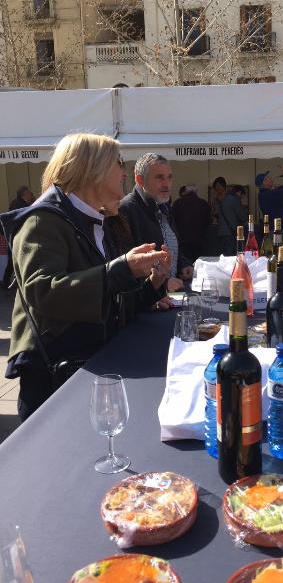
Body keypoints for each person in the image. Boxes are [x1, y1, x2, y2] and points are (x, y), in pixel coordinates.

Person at [0, 133, 170, 421]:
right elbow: (44, 293)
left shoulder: (97, 221)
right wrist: (122, 269)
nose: (125, 172)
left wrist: (152, 285)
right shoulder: (43, 220)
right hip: (57, 381)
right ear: (94, 168)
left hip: (91, 368)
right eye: (118, 163)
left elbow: (109, 301)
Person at [119, 154, 194, 292]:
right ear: (140, 180)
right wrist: (163, 284)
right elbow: (124, 267)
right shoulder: (126, 209)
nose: (166, 184)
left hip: (172, 296)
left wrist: (184, 264)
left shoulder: (164, 206)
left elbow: (172, 246)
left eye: (169, 177)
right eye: (159, 177)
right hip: (146, 304)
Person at [2, 186, 36, 287]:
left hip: (13, 236)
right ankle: (13, 283)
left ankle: (6, 282)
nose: (32, 194)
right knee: (17, 260)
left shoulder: (15, 203)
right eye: (30, 193)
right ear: (24, 194)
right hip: (18, 236)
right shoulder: (21, 206)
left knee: (13, 262)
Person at [171, 185, 211, 261]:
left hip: (183, 239)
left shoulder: (177, 203)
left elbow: (172, 221)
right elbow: (208, 221)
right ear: (196, 192)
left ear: (185, 192)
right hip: (199, 239)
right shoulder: (203, 203)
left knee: (185, 263)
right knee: (198, 262)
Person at [256, 164, 283, 236]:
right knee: (281, 247)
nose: (271, 178)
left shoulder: (265, 193)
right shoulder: (269, 194)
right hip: (278, 229)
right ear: (264, 182)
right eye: (268, 178)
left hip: (275, 228)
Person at [215, 180, 247, 255]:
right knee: (233, 257)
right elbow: (243, 217)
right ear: (239, 192)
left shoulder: (222, 199)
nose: (241, 198)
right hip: (231, 233)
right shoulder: (234, 199)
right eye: (242, 196)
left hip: (222, 233)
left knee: (226, 257)